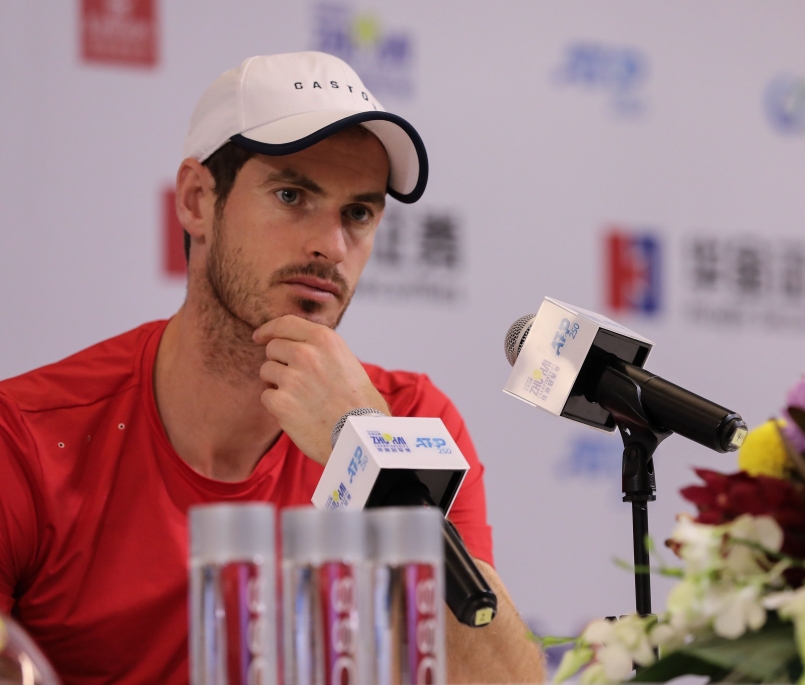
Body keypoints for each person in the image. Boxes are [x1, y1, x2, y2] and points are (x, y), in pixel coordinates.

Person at [0, 51, 546, 684]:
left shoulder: (408, 420)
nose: (330, 247)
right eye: (292, 196)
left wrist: (367, 449)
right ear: (196, 201)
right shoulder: (30, 436)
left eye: (358, 213)